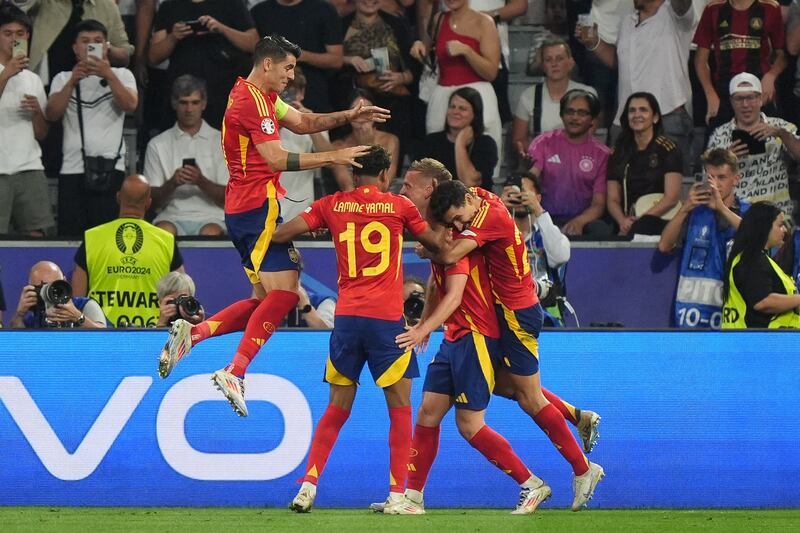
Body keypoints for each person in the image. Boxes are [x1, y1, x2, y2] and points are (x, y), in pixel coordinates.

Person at [156, 35, 390, 418]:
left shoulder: (255, 94)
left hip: (248, 207)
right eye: (288, 67)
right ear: (268, 64)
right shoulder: (251, 102)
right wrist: (338, 156)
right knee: (284, 296)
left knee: (266, 300)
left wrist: (349, 116)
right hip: (255, 209)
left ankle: (194, 335)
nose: (291, 75)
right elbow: (277, 158)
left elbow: (303, 122)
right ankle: (235, 370)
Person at [266, 146, 440, 514]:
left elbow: (282, 235)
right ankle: (397, 495)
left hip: (346, 320)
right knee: (399, 408)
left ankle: (308, 486)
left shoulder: (332, 205)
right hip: (385, 322)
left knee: (336, 409)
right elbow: (438, 246)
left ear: (351, 172)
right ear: (383, 175)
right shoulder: (400, 207)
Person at [428, 179, 604, 511]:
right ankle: (578, 417)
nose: (458, 226)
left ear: (468, 200)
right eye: (452, 222)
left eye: (459, 219)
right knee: (505, 385)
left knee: (530, 398)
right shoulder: (479, 197)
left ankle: (583, 469)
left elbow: (449, 253)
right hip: (505, 312)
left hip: (516, 316)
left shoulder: (489, 217)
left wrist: (428, 240)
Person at [576, 0, 694, 176]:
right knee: (622, 186)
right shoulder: (627, 21)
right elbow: (620, 62)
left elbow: (682, 4)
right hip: (625, 122)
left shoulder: (675, 15)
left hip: (666, 118)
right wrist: (594, 42)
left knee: (672, 191)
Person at [45, 19, 138, 237]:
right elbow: (52, 114)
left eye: (97, 41)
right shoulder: (62, 78)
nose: (91, 46)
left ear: (106, 46)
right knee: (71, 237)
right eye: (85, 42)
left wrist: (108, 74)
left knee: (107, 238)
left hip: (111, 168)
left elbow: (130, 105)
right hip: (72, 170)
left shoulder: (123, 75)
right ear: (75, 48)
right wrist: (72, 82)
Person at [71, 174, 185, 327]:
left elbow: (77, 301)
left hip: (102, 334)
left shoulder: (92, 237)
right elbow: (182, 295)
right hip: (151, 334)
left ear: (118, 197)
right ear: (148, 203)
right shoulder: (166, 240)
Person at [659, 148, 747, 329]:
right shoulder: (694, 212)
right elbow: (664, 245)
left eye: (721, 177)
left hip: (733, 312)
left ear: (736, 179)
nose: (714, 184)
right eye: (710, 177)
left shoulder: (749, 212)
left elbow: (756, 237)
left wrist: (721, 208)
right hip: (692, 312)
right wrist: (684, 208)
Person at [411, 0, 503, 159]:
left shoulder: (484, 22)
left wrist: (467, 51)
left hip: (477, 96)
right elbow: (427, 51)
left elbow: (491, 73)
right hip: (442, 97)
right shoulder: (438, 19)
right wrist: (419, 47)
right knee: (438, 159)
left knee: (478, 157)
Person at [149, 0, 258, 129]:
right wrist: (173, 37)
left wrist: (221, 28)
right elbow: (153, 57)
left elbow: (253, 44)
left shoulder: (232, 4)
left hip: (222, 89)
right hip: (183, 90)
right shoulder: (169, 5)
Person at [706, 72, 800, 218]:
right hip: (736, 216)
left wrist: (781, 134)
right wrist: (727, 158)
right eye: (739, 99)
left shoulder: (782, 127)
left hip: (776, 215)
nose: (745, 105)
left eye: (751, 98)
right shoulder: (719, 135)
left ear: (761, 99)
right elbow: (708, 183)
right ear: (731, 102)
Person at [144, 74, 228, 237]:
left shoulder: (221, 141)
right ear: (174, 104)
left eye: (194, 103)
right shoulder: (157, 144)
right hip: (170, 216)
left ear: (203, 104)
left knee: (210, 233)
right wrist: (172, 183)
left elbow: (230, 198)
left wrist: (200, 181)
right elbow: (151, 202)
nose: (189, 109)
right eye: (183, 103)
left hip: (212, 217)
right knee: (164, 232)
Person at [525, 89, 610, 237]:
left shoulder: (602, 154)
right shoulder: (543, 142)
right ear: (562, 115)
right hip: (544, 217)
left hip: (583, 220)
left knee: (599, 228)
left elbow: (598, 204)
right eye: (570, 112)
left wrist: (579, 222)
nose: (574, 118)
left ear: (593, 120)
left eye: (582, 113)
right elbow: (529, 181)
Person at [0, 5, 54, 237]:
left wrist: (36, 114)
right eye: (8, 33)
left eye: (20, 34)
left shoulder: (32, 79)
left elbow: (41, 133)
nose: (14, 39)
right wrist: (6, 74)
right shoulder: (7, 72)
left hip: (30, 167)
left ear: (28, 37)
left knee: (37, 235)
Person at [693, 0, 786, 126]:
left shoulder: (770, 7)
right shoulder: (713, 9)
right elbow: (700, 60)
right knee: (718, 143)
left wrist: (771, 76)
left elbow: (782, 56)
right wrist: (711, 95)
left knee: (767, 142)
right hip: (725, 94)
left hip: (760, 91)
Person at [606, 92, 683, 237]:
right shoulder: (618, 152)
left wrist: (640, 221)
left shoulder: (669, 149)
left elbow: (671, 197)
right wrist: (623, 221)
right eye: (632, 110)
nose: (637, 114)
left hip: (660, 220)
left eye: (643, 110)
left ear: (655, 117)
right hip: (626, 223)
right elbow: (612, 199)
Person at [501, 173, 571, 326]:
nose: (520, 197)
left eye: (525, 192)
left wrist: (539, 211)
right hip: (506, 315)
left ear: (538, 198)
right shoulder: (497, 236)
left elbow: (560, 256)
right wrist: (497, 211)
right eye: (515, 192)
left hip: (546, 315)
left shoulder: (547, 234)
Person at [250, 0, 343, 113]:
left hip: (313, 95)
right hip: (269, 99)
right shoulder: (259, 12)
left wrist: (299, 55)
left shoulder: (323, 10)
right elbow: (253, 55)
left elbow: (336, 60)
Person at [511, 37, 597, 157]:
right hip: (540, 163)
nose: (554, 64)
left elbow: (588, 135)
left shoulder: (588, 93)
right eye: (548, 59)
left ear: (570, 62)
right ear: (542, 65)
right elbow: (519, 139)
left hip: (576, 161)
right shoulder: (528, 96)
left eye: (559, 59)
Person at [722, 201, 800, 328]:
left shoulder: (759, 259)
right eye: (780, 225)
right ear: (765, 227)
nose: (784, 230)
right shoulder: (751, 261)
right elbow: (762, 301)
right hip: (755, 344)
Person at [24, 0, 133, 82]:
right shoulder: (42, 3)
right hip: (46, 82)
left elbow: (124, 56)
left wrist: (104, 47)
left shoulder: (107, 6)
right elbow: (18, 6)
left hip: (92, 88)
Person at [278, 67, 336, 220]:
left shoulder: (313, 120)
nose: (288, 97)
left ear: (302, 93)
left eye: (292, 91)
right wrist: (280, 122)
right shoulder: (263, 121)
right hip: (268, 206)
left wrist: (309, 124)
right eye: (284, 91)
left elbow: (330, 161)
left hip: (300, 210)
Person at [414, 87, 498, 190]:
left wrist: (460, 144)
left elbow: (469, 183)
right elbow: (419, 182)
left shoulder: (485, 144)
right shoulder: (431, 142)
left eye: (462, 108)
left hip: (475, 204)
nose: (455, 112)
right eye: (452, 107)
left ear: (475, 115)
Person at [331, 89, 401, 190]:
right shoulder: (339, 146)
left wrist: (369, 145)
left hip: (383, 201)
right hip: (352, 202)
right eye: (356, 111)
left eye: (367, 111)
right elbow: (347, 187)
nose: (362, 116)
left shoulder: (390, 140)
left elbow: (385, 184)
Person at [10, 260, 107, 328]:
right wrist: (19, 314)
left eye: (54, 285)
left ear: (64, 282)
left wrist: (78, 317)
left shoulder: (85, 305)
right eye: (41, 288)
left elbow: (106, 335)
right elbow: (18, 341)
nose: (50, 292)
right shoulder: (37, 315)